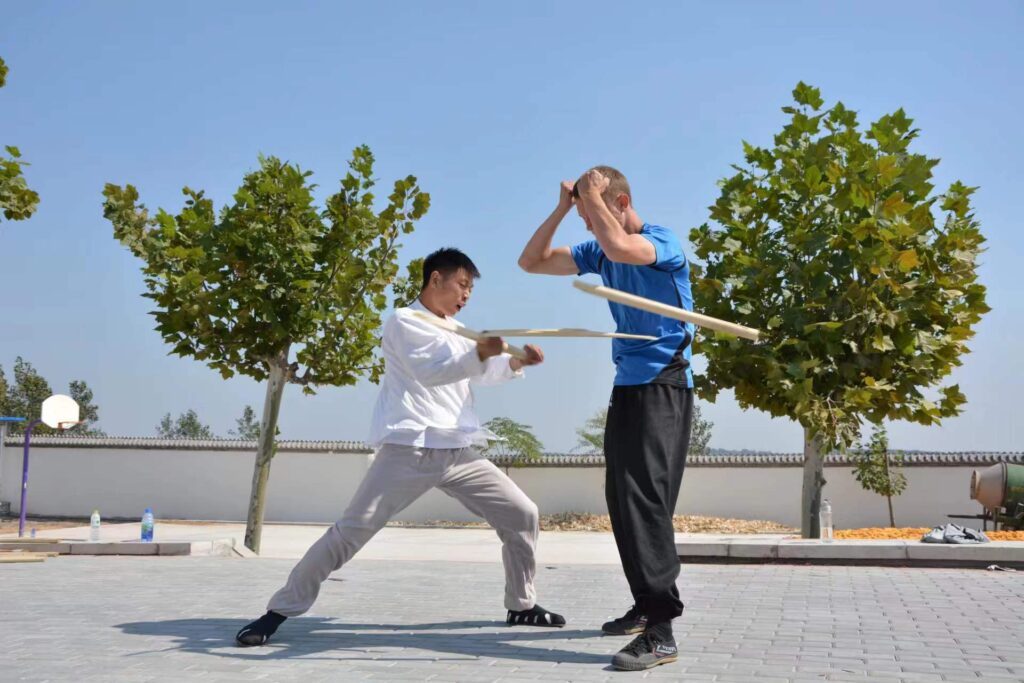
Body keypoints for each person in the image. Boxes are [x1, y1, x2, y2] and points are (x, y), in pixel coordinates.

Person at [236, 247, 565, 647]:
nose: (466, 295)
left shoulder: (457, 329)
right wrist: (481, 352)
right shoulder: (404, 321)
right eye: (462, 285)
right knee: (351, 532)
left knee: (522, 513)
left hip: (457, 450)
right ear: (435, 279)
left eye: (471, 290)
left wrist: (514, 364)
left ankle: (521, 604)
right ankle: (278, 612)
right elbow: (431, 371)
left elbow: (476, 374)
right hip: (409, 448)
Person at [518, 167, 693, 671]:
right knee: (621, 497)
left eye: (593, 216)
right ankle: (644, 604)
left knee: (646, 500)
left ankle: (661, 629)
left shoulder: (662, 242)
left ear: (621, 202)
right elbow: (531, 262)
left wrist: (592, 197)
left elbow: (619, 247)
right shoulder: (600, 247)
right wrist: (563, 208)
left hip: (665, 380)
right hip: (629, 383)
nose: (588, 231)